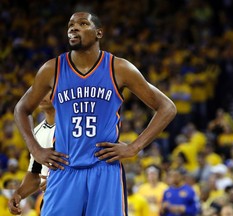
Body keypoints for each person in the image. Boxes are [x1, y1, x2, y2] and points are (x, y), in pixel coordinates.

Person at [13, 11, 176, 216]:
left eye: (82, 24)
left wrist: (135, 147)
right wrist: (35, 149)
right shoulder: (51, 69)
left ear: (99, 33)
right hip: (65, 168)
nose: (73, 27)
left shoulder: (119, 67)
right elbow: (22, 109)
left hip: (104, 169)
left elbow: (167, 107)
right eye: (71, 24)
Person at [8, 92, 55, 215]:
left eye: (47, 91)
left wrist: (58, 180)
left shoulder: (74, 127)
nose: (41, 95)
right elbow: (35, 174)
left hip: (75, 199)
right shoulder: (37, 132)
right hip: (50, 202)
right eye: (41, 91)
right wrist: (18, 194)